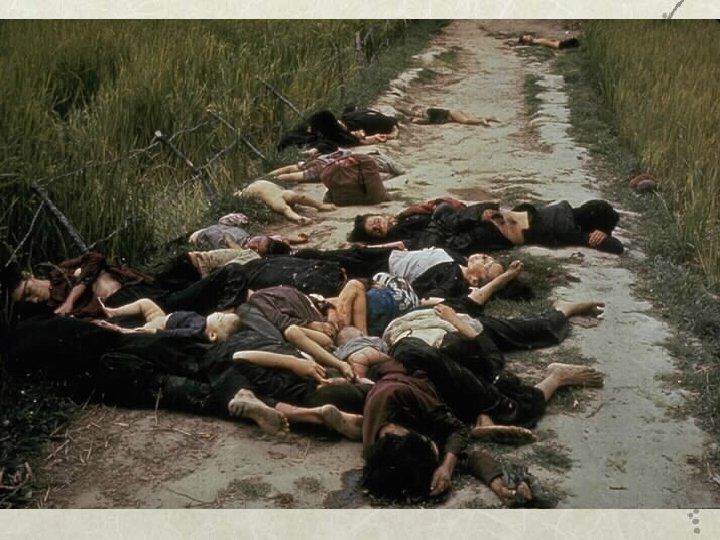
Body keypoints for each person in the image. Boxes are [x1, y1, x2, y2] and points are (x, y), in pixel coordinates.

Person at [361, 356, 544, 504]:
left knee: (516, 408)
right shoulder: (390, 457)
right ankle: (479, 420)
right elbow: (468, 459)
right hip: (434, 405)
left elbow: (456, 429)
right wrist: (499, 484)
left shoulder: (400, 395)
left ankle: (555, 376)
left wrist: (447, 466)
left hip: (433, 377)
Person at [349, 199, 624, 255]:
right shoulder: (563, 223)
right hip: (503, 229)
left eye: (376, 220)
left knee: (598, 209)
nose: (381, 224)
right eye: (376, 229)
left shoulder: (408, 218)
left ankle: (598, 232)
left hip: (521, 222)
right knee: (598, 210)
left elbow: (445, 211)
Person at [99, 297, 242, 343]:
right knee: (145, 302)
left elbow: (178, 333)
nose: (218, 313)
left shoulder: (196, 330)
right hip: (163, 317)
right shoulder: (202, 322)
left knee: (143, 331)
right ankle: (114, 312)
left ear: (212, 335)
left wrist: (157, 332)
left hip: (161, 325)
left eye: (220, 318)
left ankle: (122, 330)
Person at [236, 179, 336, 225]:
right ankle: (299, 218)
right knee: (285, 208)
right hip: (274, 197)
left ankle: (319, 206)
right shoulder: (248, 191)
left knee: (298, 197)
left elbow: (278, 186)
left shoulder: (257, 183)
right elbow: (238, 195)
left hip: (280, 192)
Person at [404, 105, 499, 126]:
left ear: (421, 109)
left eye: (417, 112)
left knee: (466, 121)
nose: (418, 114)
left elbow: (427, 120)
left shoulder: (426, 111)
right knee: (469, 118)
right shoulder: (429, 112)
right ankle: (488, 118)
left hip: (451, 114)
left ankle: (481, 121)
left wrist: (416, 121)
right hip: (453, 113)